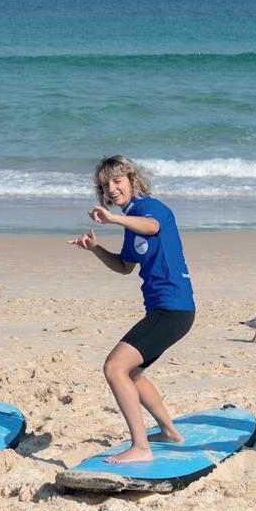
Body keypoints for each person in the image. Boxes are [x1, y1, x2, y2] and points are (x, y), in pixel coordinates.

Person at [69, 156, 195, 464]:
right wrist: (95, 249)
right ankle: (170, 432)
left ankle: (141, 447)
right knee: (132, 373)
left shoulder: (150, 208)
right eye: (105, 185)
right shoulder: (131, 221)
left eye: (117, 181)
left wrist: (113, 220)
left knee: (114, 368)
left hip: (173, 308)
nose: (111, 189)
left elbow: (152, 227)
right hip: (161, 309)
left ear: (132, 180)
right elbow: (125, 266)